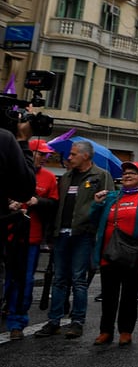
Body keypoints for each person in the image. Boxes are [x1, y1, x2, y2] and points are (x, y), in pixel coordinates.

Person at [36, 139, 114, 339]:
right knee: (59, 279)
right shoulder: (66, 177)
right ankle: (54, 321)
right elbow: (58, 206)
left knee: (79, 279)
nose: (69, 157)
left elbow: (108, 206)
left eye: (73, 154)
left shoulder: (101, 176)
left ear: (85, 156)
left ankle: (77, 321)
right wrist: (51, 233)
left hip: (84, 234)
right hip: (61, 234)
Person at [89, 160, 138, 347]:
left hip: (134, 255)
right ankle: (105, 331)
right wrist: (96, 204)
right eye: (125, 173)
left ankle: (126, 331)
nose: (127, 175)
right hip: (109, 254)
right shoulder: (111, 196)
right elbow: (94, 220)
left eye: (132, 173)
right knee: (109, 296)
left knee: (129, 296)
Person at [3, 137, 58, 340]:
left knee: (24, 281)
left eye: (46, 155)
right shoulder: (8, 172)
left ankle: (17, 322)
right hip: (6, 234)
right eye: (41, 154)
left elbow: (54, 205)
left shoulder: (49, 178)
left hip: (30, 239)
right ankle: (7, 307)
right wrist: (8, 205)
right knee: (7, 279)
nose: (44, 158)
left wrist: (38, 201)